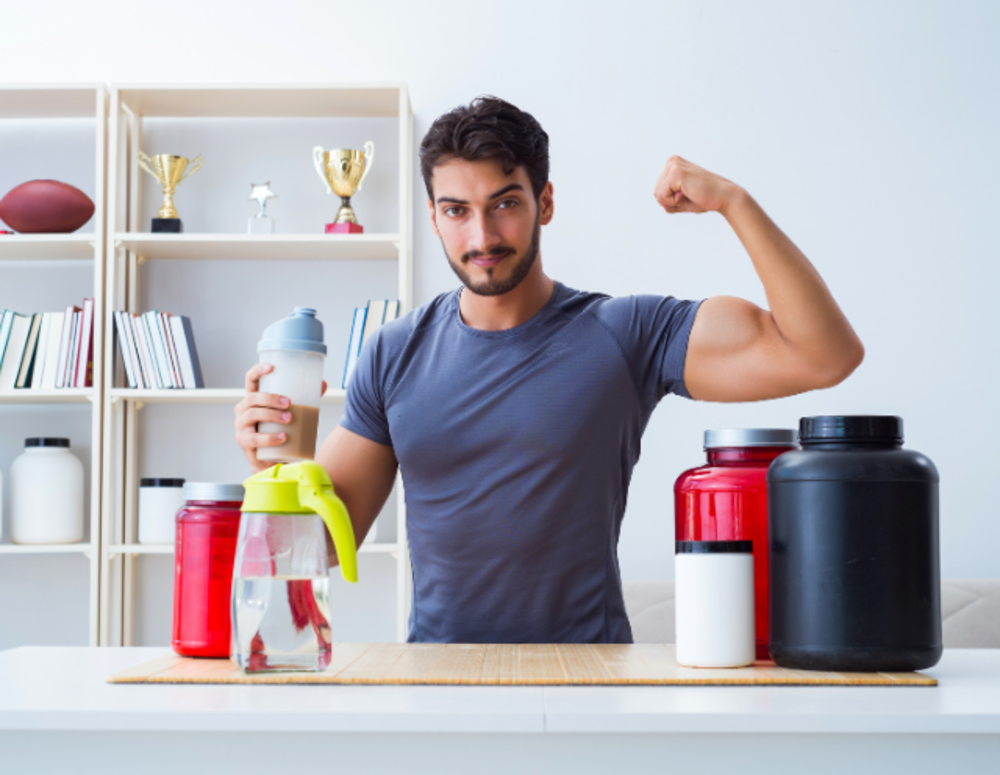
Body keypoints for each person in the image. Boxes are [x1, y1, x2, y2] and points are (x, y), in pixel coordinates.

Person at [234, 96, 864, 643]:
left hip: (587, 677)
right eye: (456, 210)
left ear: (546, 201)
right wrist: (274, 469)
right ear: (433, 218)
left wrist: (734, 202)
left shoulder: (625, 334)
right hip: (440, 683)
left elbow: (823, 355)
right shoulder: (394, 352)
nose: (481, 235)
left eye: (504, 203)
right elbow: (318, 544)